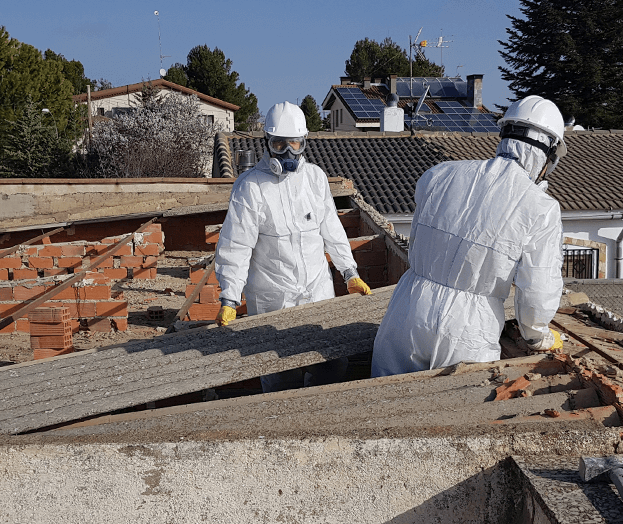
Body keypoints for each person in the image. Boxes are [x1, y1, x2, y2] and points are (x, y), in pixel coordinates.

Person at [371, 95, 567, 377]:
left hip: (408, 308)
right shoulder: (541, 208)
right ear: (546, 155)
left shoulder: (439, 174)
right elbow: (537, 287)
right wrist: (537, 335)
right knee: (456, 412)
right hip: (468, 326)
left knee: (381, 405)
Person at [213, 101, 372, 392]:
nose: (288, 152)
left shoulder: (315, 178)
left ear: (305, 142)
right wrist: (230, 298)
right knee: (280, 375)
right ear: (267, 144)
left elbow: (331, 229)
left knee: (331, 364)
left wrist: (349, 272)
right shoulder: (250, 187)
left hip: (317, 292)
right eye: (279, 144)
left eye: (295, 143)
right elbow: (236, 245)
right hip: (274, 299)